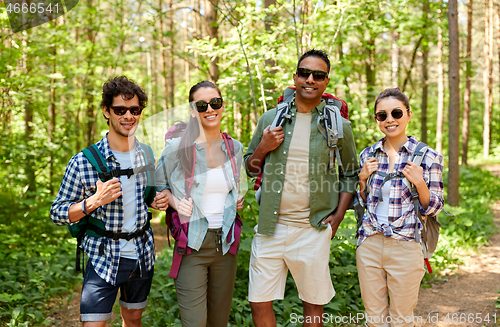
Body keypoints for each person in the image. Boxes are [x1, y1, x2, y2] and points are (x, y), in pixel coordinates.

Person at [244, 49, 359, 327]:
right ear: (295, 77)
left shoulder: (338, 126)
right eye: (305, 73)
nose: (310, 79)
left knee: (313, 304)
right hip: (271, 226)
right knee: (259, 301)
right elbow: (249, 167)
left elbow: (351, 173)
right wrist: (264, 146)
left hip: (313, 229)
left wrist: (340, 215)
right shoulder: (270, 119)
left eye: (318, 75)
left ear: (326, 82)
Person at [50, 76, 169, 327]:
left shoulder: (145, 153)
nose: (128, 116)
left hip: (141, 253)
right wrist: (92, 202)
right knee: (93, 323)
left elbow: (146, 195)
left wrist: (157, 199)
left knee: (133, 318)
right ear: (106, 111)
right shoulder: (83, 161)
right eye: (120, 110)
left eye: (134, 110)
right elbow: (57, 212)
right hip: (103, 255)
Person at [155, 80, 245, 327]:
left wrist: (236, 199)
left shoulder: (234, 147)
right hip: (192, 245)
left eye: (214, 103)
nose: (209, 109)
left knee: (218, 322)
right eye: (201, 105)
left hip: (225, 246)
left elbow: (236, 188)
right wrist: (173, 201)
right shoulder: (178, 147)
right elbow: (155, 185)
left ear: (222, 105)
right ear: (193, 111)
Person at [356, 88, 444, 327]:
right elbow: (363, 203)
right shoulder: (368, 154)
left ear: (408, 114)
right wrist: (362, 180)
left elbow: (435, 207)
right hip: (370, 244)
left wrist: (420, 183)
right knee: (374, 319)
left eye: (396, 112)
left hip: (406, 245)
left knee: (402, 320)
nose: (389, 120)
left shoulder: (428, 157)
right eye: (381, 115)